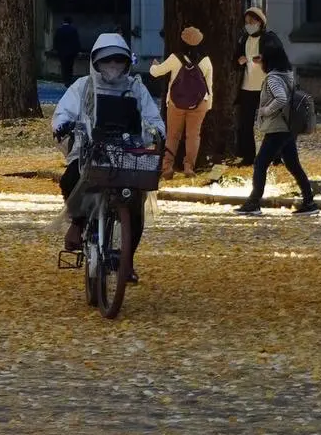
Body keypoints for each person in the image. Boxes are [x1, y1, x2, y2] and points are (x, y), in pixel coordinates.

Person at [51, 32, 164, 277]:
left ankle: (126, 260)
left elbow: (153, 118)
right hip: (89, 150)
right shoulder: (83, 87)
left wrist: (155, 133)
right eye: (107, 61)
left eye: (118, 61)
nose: (112, 66)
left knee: (135, 204)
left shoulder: (136, 88)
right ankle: (78, 223)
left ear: (126, 63)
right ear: (96, 62)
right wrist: (64, 128)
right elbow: (63, 113)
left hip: (127, 153)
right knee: (71, 179)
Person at [237, 32, 317, 215]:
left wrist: (265, 110)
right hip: (289, 127)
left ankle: (254, 202)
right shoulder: (288, 74)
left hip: (277, 128)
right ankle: (309, 202)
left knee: (260, 163)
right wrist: (259, 58)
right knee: (293, 164)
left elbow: (280, 98)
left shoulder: (273, 78)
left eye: (264, 59)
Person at [149, 26, 214, 176]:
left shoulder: (175, 58)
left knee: (173, 135)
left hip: (176, 103)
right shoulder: (206, 60)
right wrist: (208, 105)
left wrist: (154, 65)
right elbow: (209, 85)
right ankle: (189, 167)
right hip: (199, 103)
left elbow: (156, 73)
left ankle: (167, 168)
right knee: (193, 135)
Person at [235, 7, 268, 165]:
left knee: (271, 123)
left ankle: (274, 156)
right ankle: (248, 156)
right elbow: (236, 56)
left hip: (265, 86)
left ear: (260, 22)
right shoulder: (243, 39)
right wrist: (239, 59)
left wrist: (264, 58)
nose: (249, 25)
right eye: (247, 22)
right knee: (245, 124)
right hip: (247, 87)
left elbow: (278, 55)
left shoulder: (269, 38)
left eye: (252, 21)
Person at [52, 16, 81, 88]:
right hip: (71, 52)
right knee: (70, 66)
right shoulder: (73, 30)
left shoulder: (59, 30)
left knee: (64, 65)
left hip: (62, 52)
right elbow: (76, 42)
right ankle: (68, 80)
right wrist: (77, 51)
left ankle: (65, 79)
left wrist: (56, 49)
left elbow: (56, 41)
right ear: (70, 22)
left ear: (63, 21)